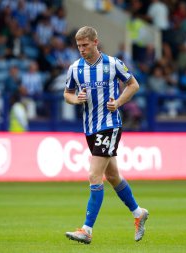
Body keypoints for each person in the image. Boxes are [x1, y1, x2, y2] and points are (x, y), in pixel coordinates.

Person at [63, 26, 149, 244]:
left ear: (95, 42)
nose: (81, 49)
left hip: (109, 125)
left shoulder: (113, 63)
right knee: (112, 177)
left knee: (94, 175)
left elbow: (133, 85)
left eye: (85, 45)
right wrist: (76, 100)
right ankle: (138, 213)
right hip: (90, 128)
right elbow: (67, 94)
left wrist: (118, 102)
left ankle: (87, 230)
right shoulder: (75, 68)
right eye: (78, 46)